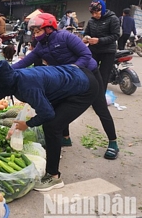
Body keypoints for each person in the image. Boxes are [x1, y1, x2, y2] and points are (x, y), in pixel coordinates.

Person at [0, 60, 99, 191]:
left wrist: (27, 124)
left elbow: (47, 114)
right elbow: (1, 91)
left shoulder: (27, 87)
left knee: (52, 126)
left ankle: (54, 177)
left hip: (85, 88)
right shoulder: (14, 77)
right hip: (74, 74)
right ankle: (57, 147)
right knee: (54, 120)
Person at [13, 13, 119, 159]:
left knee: (99, 107)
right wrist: (4, 71)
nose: (36, 35)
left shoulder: (65, 37)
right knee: (60, 104)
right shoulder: (41, 46)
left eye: (38, 31)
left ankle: (113, 142)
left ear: (49, 29)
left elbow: (86, 54)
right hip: (67, 79)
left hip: (89, 74)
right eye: (34, 32)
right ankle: (66, 137)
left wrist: (73, 68)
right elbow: (24, 62)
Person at [83, 0, 120, 91]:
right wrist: (86, 38)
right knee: (90, 72)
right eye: (92, 13)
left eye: (97, 12)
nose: (95, 15)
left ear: (102, 10)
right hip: (94, 50)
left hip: (108, 51)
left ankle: (100, 98)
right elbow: (87, 33)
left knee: (103, 75)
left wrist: (99, 40)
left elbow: (116, 35)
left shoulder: (113, 18)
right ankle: (89, 94)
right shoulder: (91, 21)